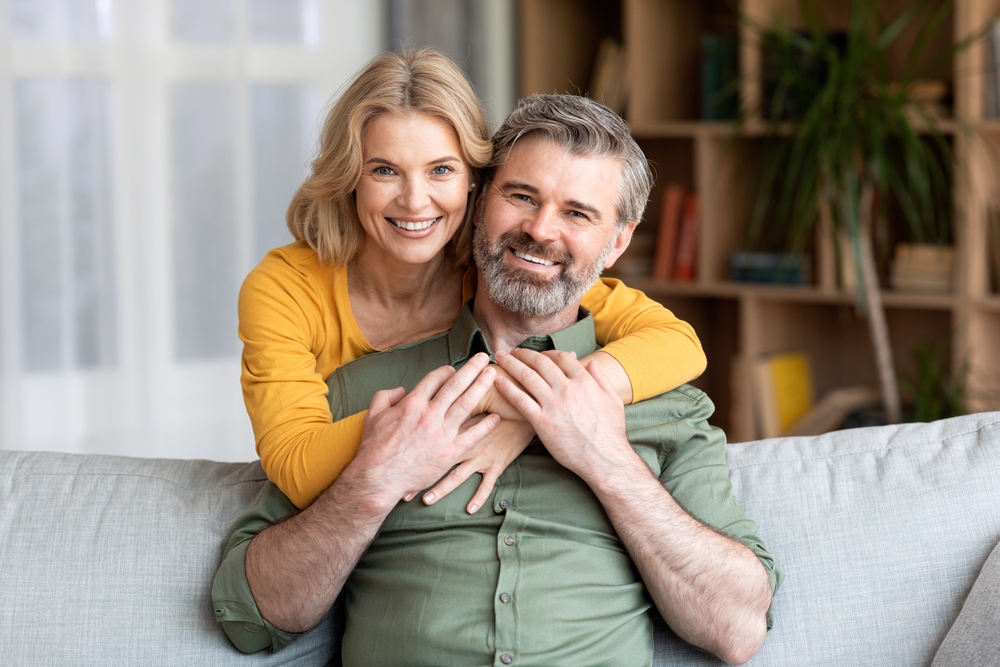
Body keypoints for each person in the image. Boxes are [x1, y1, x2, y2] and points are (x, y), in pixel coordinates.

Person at [213, 94, 781, 666]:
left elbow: (737, 628)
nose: (540, 230)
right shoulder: (363, 396)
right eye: (521, 197)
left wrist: (607, 460)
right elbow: (252, 616)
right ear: (480, 204)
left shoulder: (665, 402)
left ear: (618, 242)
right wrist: (374, 482)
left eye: (577, 213)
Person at [241, 47, 708, 512]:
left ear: (474, 181)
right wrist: (494, 398)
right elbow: (298, 471)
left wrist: (540, 413)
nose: (415, 201)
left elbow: (677, 342)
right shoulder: (285, 289)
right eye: (385, 170)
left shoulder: (495, 262)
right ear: (350, 177)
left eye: (440, 170)